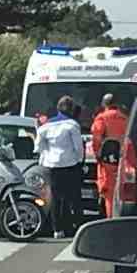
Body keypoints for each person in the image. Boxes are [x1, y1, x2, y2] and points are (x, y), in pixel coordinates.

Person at [35, 95, 85, 238]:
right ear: (71, 110)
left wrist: (48, 156)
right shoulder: (72, 125)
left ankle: (57, 229)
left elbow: (38, 147)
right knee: (73, 197)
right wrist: (79, 161)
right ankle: (77, 227)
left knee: (56, 198)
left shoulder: (45, 126)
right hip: (70, 165)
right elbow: (78, 147)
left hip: (52, 166)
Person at [90, 94, 129, 218]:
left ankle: (111, 219)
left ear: (104, 104)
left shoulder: (101, 118)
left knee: (109, 194)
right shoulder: (125, 118)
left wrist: (98, 156)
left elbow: (96, 139)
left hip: (108, 161)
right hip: (124, 159)